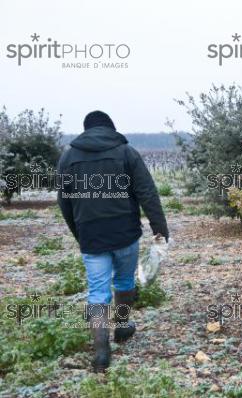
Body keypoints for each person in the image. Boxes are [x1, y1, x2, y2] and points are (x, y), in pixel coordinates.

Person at [57, 111, 169, 372]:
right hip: (125, 232)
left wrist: (79, 233)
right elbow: (147, 192)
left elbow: (64, 202)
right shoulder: (125, 152)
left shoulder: (68, 157)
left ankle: (101, 351)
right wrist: (160, 229)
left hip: (91, 235)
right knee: (124, 281)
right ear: (110, 127)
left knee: (97, 292)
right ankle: (122, 327)